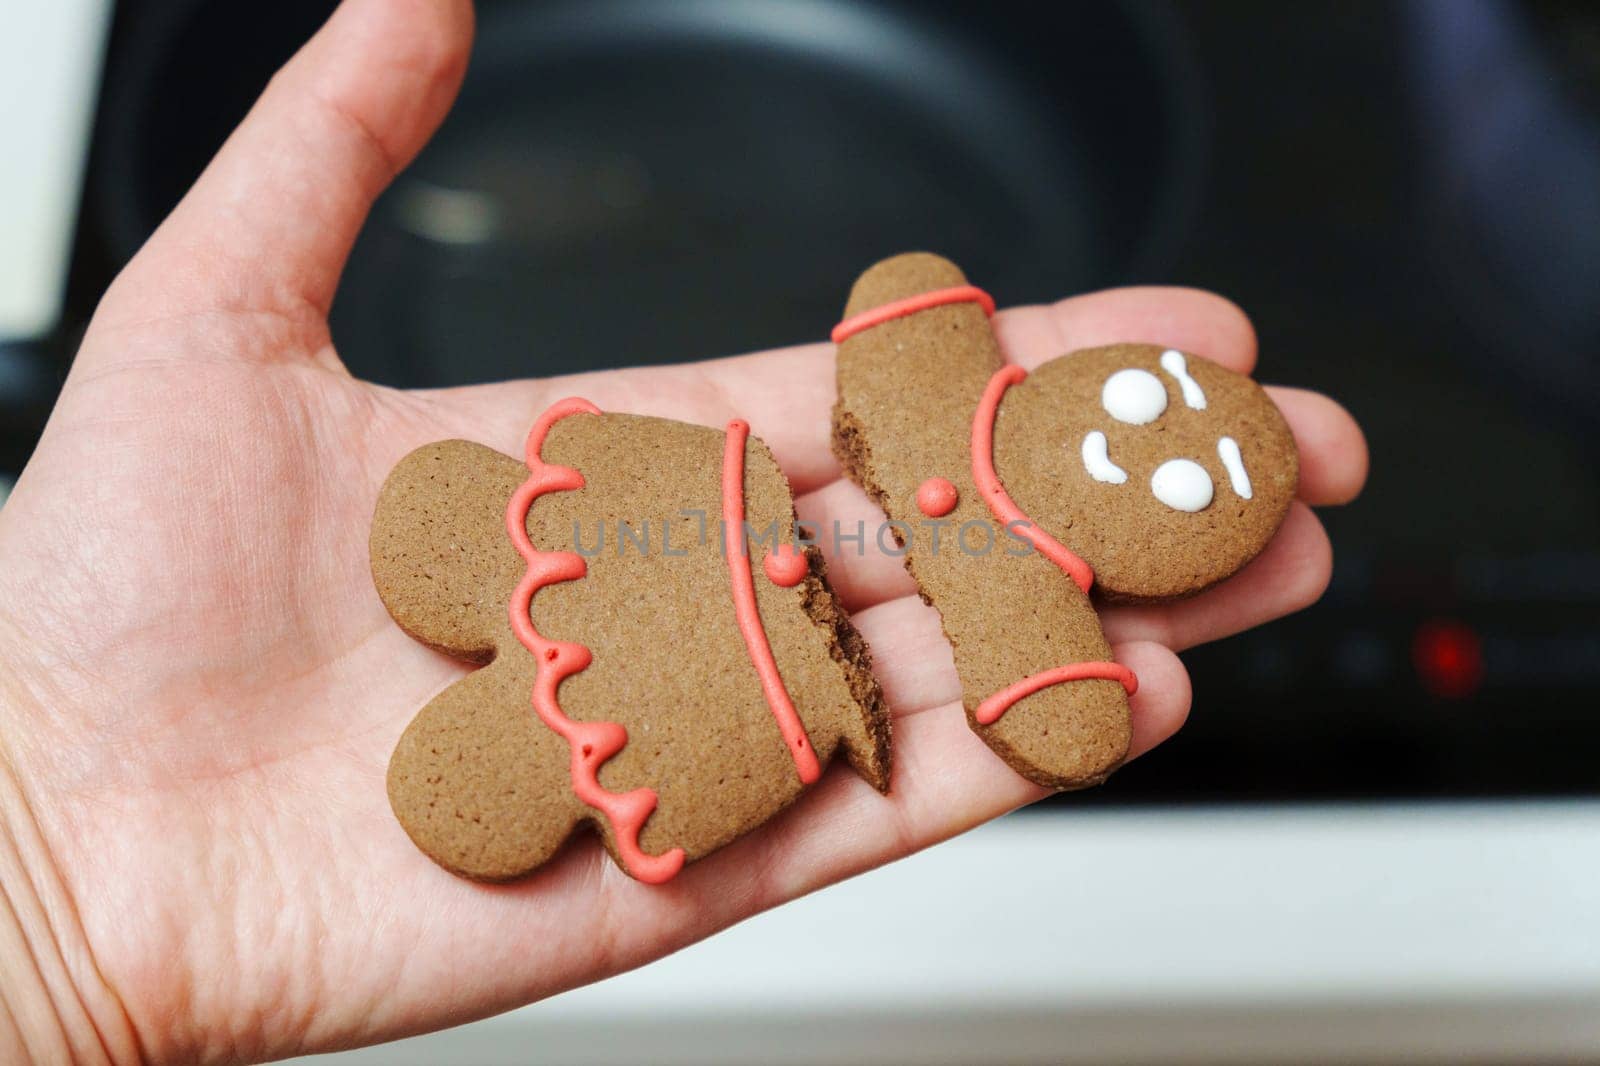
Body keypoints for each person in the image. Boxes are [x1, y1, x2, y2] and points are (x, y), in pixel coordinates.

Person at [0, 0, 1367, 1061]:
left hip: (757, 701)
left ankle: (523, 737)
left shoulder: (1017, 581)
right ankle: (503, 651)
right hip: (685, 518)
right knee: (481, 537)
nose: (1147, 430)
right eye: (1151, 394)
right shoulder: (936, 386)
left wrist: (45, 904)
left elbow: (1056, 700)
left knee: (532, 741)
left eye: (1179, 475)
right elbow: (909, 312)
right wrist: (32, 861)